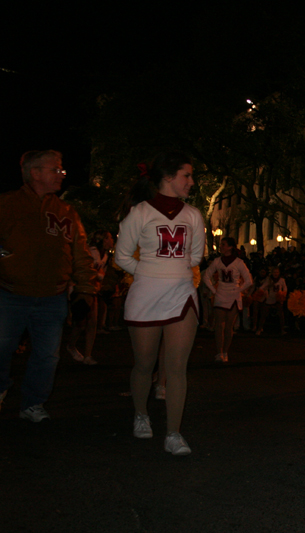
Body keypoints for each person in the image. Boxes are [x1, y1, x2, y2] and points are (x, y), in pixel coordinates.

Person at [116, 152, 204, 456]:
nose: (192, 182)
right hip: (145, 295)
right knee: (144, 363)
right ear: (168, 177)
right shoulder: (139, 213)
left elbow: (195, 256)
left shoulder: (193, 215)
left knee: (176, 367)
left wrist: (174, 273)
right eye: (187, 176)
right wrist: (149, 273)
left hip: (181, 293)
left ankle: (173, 433)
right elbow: (122, 256)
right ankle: (141, 413)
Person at [0, 150, 99, 421]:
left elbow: (80, 254)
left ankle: (33, 403)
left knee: (47, 357)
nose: (61, 175)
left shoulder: (67, 211)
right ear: (35, 173)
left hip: (52, 297)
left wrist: (85, 291)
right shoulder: (7, 204)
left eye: (62, 170)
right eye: (55, 169)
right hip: (10, 295)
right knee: (1, 348)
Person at [66, 230, 113, 365]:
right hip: (82, 289)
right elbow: (86, 269)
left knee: (92, 321)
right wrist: (98, 275)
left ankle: (87, 355)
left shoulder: (105, 256)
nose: (112, 241)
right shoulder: (92, 252)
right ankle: (71, 345)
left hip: (93, 290)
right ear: (103, 240)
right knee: (80, 323)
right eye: (109, 238)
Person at [203, 237, 253, 362]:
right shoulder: (217, 261)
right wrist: (214, 291)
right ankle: (219, 352)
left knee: (229, 326)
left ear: (230, 247)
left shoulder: (239, 263)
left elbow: (249, 281)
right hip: (220, 295)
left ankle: (225, 352)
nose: (221, 247)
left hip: (233, 296)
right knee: (219, 326)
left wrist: (238, 290)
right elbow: (206, 277)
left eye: (223, 245)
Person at [254, 267, 287, 336]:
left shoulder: (282, 280)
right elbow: (262, 287)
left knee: (281, 315)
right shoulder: (268, 280)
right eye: (274, 272)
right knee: (264, 314)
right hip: (270, 298)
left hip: (278, 299)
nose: (275, 274)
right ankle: (259, 329)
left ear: (279, 273)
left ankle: (282, 330)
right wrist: (261, 291)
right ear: (272, 273)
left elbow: (285, 288)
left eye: (277, 272)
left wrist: (282, 294)